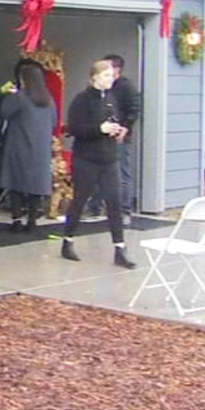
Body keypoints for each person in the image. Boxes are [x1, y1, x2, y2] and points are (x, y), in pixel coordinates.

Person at [53, 59, 136, 269]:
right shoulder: (82, 99)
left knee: (114, 202)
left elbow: (113, 119)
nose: (110, 80)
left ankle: (120, 248)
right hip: (86, 159)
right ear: (95, 77)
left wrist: (116, 129)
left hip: (109, 158)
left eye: (111, 76)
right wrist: (99, 129)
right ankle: (68, 240)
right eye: (106, 75)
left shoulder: (111, 98)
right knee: (79, 200)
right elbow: (75, 128)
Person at [0, 62, 56, 232]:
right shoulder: (48, 100)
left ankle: (16, 220)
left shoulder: (20, 97)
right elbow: (53, 122)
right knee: (36, 186)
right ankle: (32, 221)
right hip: (41, 149)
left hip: (19, 145)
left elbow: (3, 113)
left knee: (15, 182)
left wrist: (8, 95)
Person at [85, 54, 141, 222]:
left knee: (121, 173)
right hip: (101, 136)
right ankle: (95, 206)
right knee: (97, 172)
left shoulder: (126, 87)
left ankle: (124, 210)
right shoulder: (99, 90)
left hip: (119, 136)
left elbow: (134, 108)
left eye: (108, 69)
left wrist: (126, 127)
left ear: (117, 69)